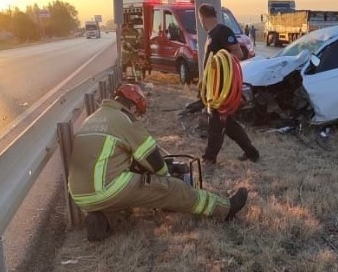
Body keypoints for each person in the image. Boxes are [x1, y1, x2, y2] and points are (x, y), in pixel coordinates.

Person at [68, 84, 248, 242]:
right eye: (138, 112)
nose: (137, 116)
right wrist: (166, 178)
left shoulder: (91, 119)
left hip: (80, 196)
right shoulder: (125, 119)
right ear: (131, 106)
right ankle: (225, 209)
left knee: (124, 203)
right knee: (174, 189)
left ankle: (101, 220)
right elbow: (153, 158)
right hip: (109, 188)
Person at [197, 4, 260, 169]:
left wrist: (218, 63)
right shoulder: (211, 35)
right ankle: (252, 152)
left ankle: (209, 158)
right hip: (213, 87)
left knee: (215, 123)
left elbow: (238, 54)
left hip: (222, 89)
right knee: (229, 125)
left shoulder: (223, 31)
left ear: (201, 18)